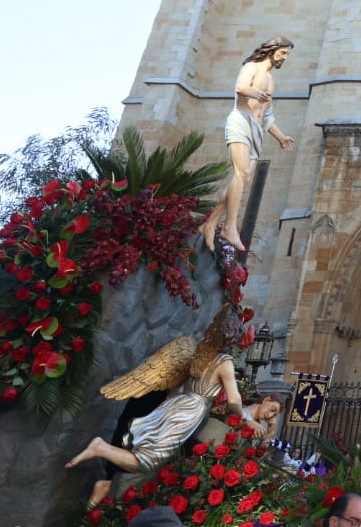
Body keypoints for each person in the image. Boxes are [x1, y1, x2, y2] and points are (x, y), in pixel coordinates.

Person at [66, 307, 260, 507]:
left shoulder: (202, 354)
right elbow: (234, 399)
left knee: (147, 452)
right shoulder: (224, 362)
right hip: (189, 412)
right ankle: (101, 448)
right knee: (149, 460)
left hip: (177, 403)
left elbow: (177, 387)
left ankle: (107, 484)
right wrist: (248, 419)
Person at [199, 35, 296, 253]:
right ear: (272, 49)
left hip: (257, 130)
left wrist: (281, 137)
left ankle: (210, 224)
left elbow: (266, 115)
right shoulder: (251, 67)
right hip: (241, 121)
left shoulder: (271, 80)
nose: (285, 57)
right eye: (283, 52)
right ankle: (229, 227)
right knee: (241, 174)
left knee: (242, 179)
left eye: (287, 54)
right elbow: (241, 88)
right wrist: (256, 93)